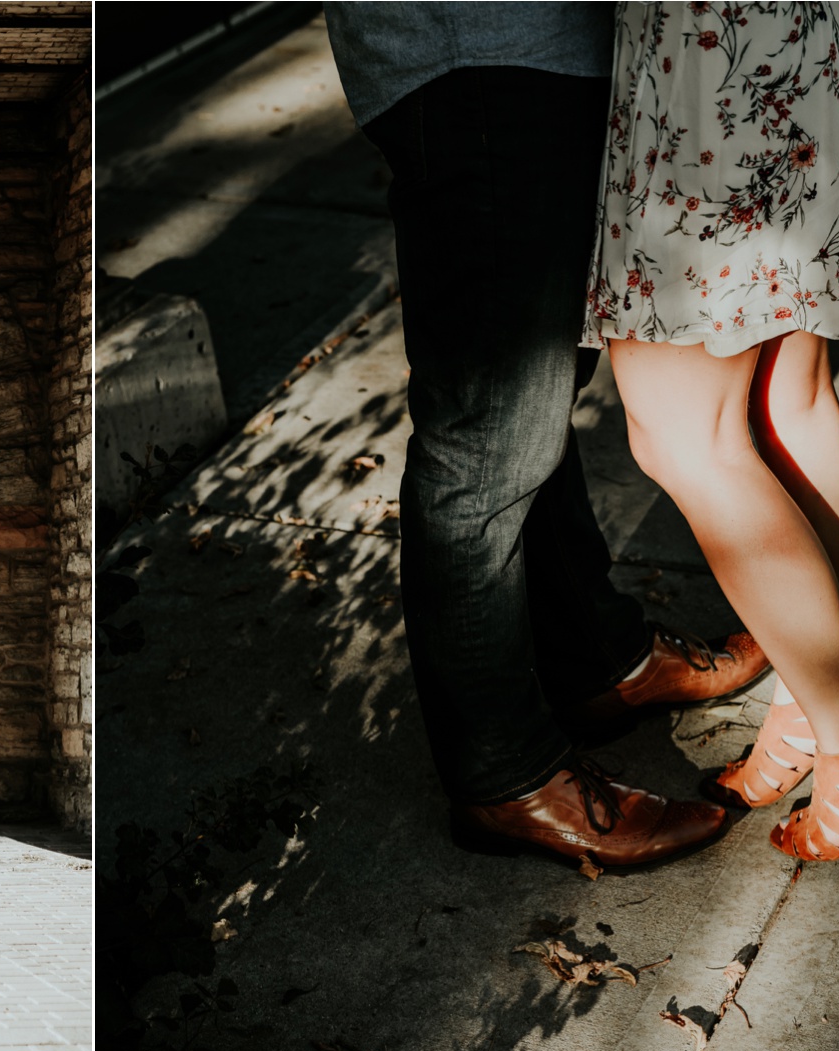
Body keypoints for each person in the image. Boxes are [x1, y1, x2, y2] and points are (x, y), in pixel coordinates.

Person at [324, 4, 771, 869]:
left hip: (524, 50)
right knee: (487, 437)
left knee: (529, 401)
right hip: (472, 55)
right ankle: (503, 777)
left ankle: (600, 660)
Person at [586, 3, 839, 861]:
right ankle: (810, 717)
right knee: (791, 403)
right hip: (793, 37)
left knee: (684, 434)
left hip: (705, 55)